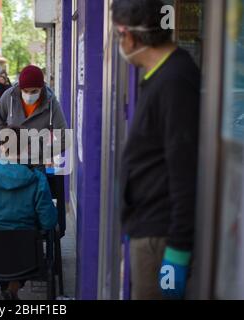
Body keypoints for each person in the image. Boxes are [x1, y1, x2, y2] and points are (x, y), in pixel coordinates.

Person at [112, 0, 200, 300]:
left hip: (161, 239)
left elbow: (184, 171)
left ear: (132, 36)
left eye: (118, 36)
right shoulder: (161, 76)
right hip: (147, 229)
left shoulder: (175, 81)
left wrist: (177, 251)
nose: (119, 45)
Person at [0, 127, 57, 300]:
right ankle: (11, 292)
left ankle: (8, 292)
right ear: (27, 149)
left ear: (2, 147)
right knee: (23, 251)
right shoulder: (37, 178)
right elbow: (49, 222)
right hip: (28, 256)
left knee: (5, 253)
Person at [0, 65, 68, 235]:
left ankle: (33, 243)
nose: (29, 94)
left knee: (35, 208)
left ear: (41, 88)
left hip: (36, 165)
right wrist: (10, 142)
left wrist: (40, 152)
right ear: (19, 88)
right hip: (10, 163)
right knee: (10, 206)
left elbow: (65, 137)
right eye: (25, 90)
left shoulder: (51, 103)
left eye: (34, 90)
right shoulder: (9, 96)